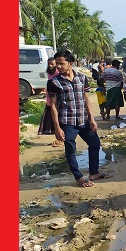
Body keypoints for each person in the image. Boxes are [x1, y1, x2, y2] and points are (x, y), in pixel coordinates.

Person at [47, 49, 112, 187]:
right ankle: (79, 178)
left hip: (84, 120)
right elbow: (52, 106)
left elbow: (86, 99)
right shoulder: (54, 82)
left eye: (61, 63)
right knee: (70, 149)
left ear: (70, 63)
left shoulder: (82, 78)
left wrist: (92, 119)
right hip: (67, 122)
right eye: (56, 64)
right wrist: (57, 128)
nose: (58, 67)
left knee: (95, 144)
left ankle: (94, 173)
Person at [38, 57, 64, 147]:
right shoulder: (50, 73)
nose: (50, 65)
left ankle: (62, 139)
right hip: (50, 100)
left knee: (60, 121)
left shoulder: (58, 74)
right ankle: (59, 139)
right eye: (49, 64)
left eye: (52, 64)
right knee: (54, 121)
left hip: (57, 101)